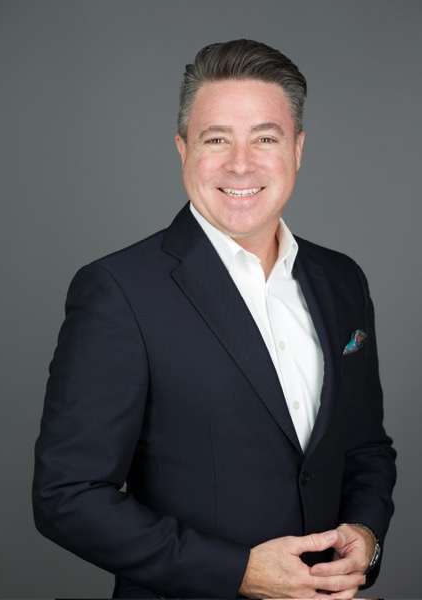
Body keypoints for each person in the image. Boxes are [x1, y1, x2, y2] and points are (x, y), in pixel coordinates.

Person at [33, 39, 396, 599]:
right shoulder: (119, 291)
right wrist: (238, 572)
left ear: (297, 149)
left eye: (265, 138)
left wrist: (366, 537)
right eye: (216, 138)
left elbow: (365, 448)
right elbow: (67, 496)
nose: (241, 163)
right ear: (183, 148)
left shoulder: (342, 279)